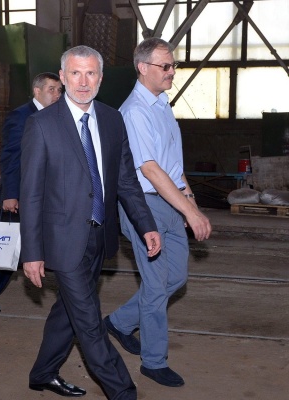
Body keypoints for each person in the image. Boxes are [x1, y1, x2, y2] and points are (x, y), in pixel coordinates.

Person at [20, 45, 162, 399]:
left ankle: (43, 373)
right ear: (63, 77)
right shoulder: (42, 124)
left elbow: (126, 180)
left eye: (91, 73)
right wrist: (31, 252)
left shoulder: (113, 120)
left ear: (101, 77)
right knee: (88, 321)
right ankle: (123, 391)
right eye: (75, 73)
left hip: (99, 236)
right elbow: (31, 194)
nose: (83, 82)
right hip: (61, 241)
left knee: (68, 311)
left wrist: (146, 224)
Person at [104, 37, 212, 388]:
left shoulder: (162, 105)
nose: (172, 72)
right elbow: (150, 169)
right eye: (165, 66)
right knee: (154, 286)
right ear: (142, 67)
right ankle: (153, 361)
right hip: (143, 205)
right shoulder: (135, 111)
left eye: (172, 65)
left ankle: (119, 323)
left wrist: (190, 202)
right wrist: (191, 213)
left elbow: (172, 165)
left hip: (170, 201)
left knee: (175, 278)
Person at [0, 72, 62, 313]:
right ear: (37, 91)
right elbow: (11, 157)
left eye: (59, 90)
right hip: (24, 194)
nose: (57, 94)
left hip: (49, 193)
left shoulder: (58, 116)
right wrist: (11, 194)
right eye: (51, 89)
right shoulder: (21, 116)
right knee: (14, 245)